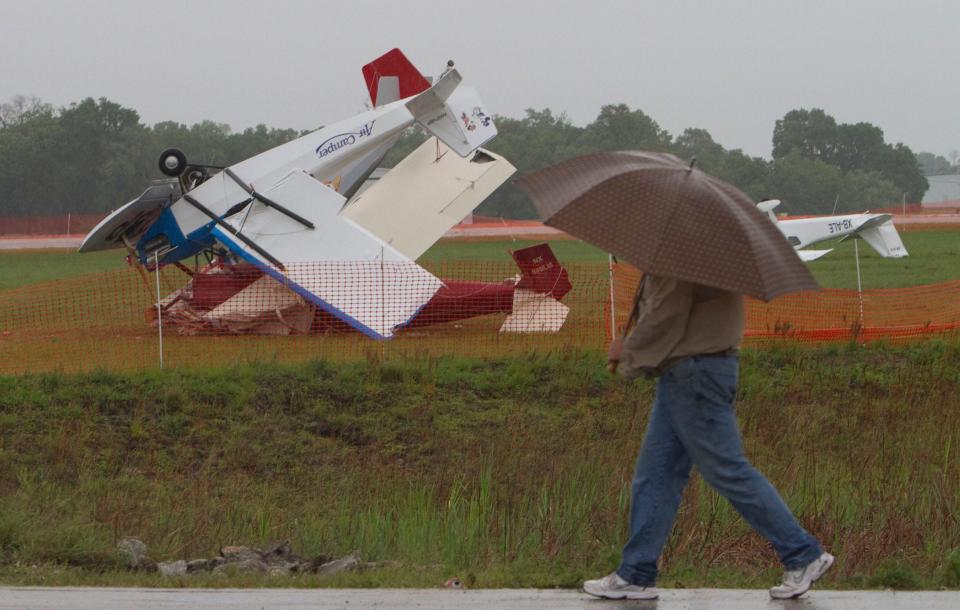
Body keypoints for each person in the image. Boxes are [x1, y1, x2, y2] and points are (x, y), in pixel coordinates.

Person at [583, 274, 833, 601]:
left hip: (694, 373)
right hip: (691, 372)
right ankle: (636, 573)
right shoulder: (705, 252)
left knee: (727, 470)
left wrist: (627, 355)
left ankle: (802, 553)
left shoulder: (678, 256)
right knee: (656, 475)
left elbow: (665, 315)